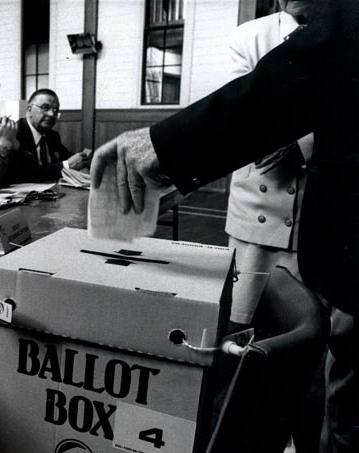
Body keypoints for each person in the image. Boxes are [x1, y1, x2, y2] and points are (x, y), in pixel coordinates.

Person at [90, 1, 357, 451]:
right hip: (272, 217)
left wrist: (165, 146)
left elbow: (301, 79)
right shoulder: (256, 35)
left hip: (329, 231)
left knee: (345, 409)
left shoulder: (339, 25)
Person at [225, 1, 313, 325]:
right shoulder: (249, 36)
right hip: (255, 209)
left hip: (318, 214)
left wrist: (305, 143)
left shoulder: (346, 33)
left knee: (305, 330)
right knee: (239, 323)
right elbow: (240, 112)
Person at [15, 88, 89, 181]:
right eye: (45, 107)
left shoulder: (52, 135)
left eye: (55, 109)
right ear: (30, 109)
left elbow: (67, 156)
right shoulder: (15, 132)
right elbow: (27, 172)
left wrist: (83, 160)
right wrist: (66, 165)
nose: (51, 114)